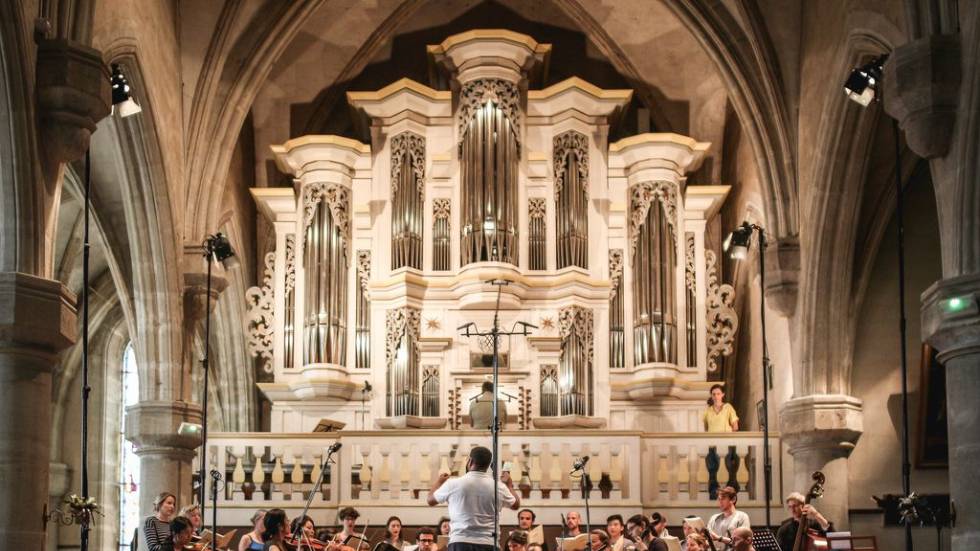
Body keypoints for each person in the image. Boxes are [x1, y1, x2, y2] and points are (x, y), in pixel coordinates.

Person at [427, 445, 520, 551]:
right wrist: (509, 485)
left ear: (470, 461)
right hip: (489, 543)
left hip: (460, 543)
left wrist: (439, 482)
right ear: (488, 465)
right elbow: (515, 504)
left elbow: (430, 500)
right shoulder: (498, 487)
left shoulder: (453, 483)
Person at [707, 486, 750, 551]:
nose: (720, 502)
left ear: (733, 499)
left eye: (723, 498)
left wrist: (719, 538)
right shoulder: (714, 518)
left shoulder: (742, 517)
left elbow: (743, 542)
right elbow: (708, 542)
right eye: (719, 499)